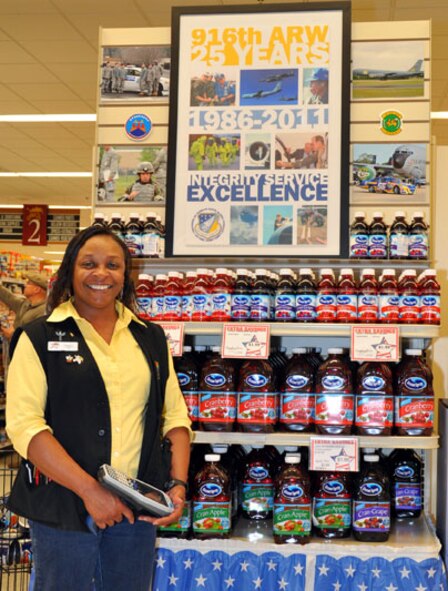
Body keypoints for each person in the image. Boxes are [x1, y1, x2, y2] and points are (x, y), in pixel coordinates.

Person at [5, 226, 192, 591]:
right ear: (70, 272)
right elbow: (25, 426)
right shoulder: (39, 336)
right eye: (89, 264)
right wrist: (91, 491)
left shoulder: (149, 336)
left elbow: (174, 417)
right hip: (64, 505)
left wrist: (178, 485)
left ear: (126, 275)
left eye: (113, 265)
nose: (101, 274)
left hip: (138, 508)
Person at [0, 272, 48, 340]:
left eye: (28, 283)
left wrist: (13, 335)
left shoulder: (43, 311)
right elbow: (8, 297)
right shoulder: (25, 304)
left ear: (36, 289)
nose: (25, 285)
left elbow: (38, 336)